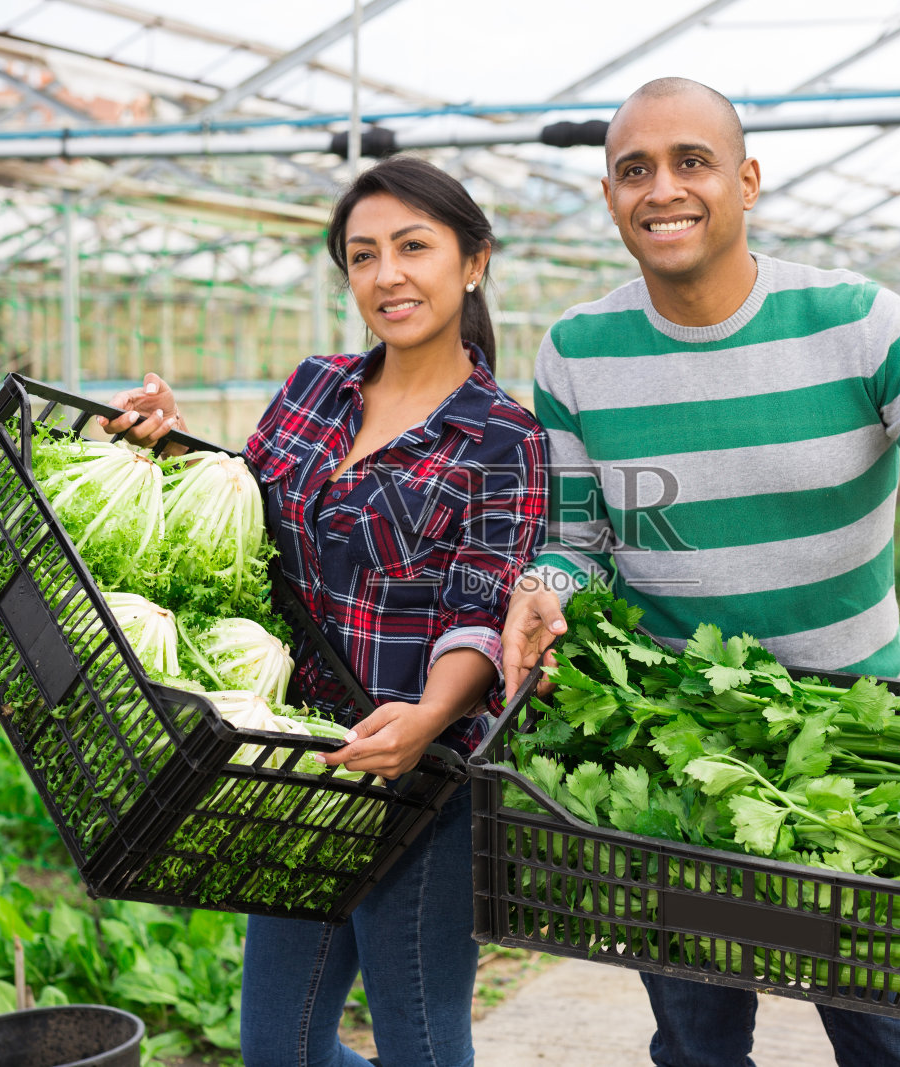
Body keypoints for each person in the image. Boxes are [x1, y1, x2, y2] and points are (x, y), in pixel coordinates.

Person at [500, 77, 900, 1067]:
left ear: (746, 181)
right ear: (609, 197)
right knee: (696, 1044)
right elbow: (579, 540)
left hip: (857, 740)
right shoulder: (576, 351)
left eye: (691, 162)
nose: (662, 189)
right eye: (634, 169)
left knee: (898, 1046)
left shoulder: (859, 324)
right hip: (676, 752)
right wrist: (545, 588)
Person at [103, 155, 547, 1067]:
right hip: (298, 762)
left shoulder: (504, 437)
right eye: (363, 255)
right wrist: (169, 446)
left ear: (473, 262)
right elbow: (248, 521)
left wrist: (425, 717)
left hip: (423, 782)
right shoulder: (315, 386)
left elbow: (481, 604)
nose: (387, 275)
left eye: (413, 247)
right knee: (280, 1047)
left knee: (421, 1046)